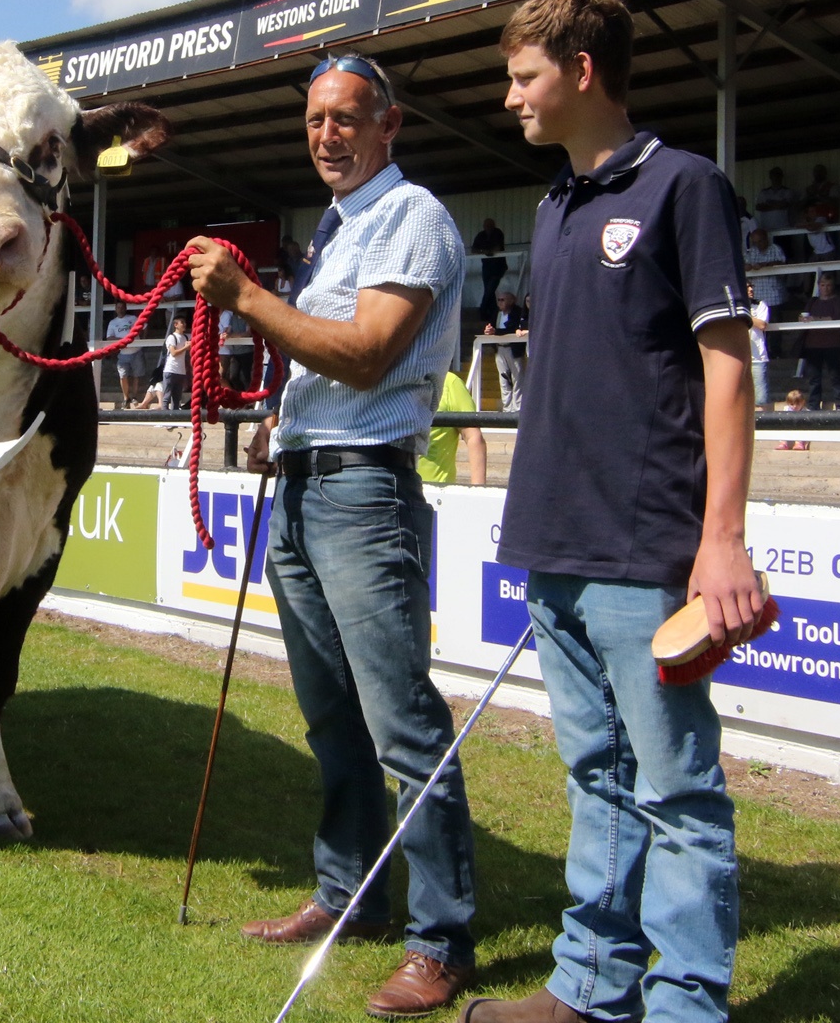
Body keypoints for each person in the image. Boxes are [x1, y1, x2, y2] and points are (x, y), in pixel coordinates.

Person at [466, 0, 763, 1023]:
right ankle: (590, 986)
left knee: (676, 790)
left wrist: (720, 541)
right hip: (555, 542)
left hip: (648, 552)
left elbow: (727, 366)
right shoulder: (551, 208)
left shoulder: (685, 186)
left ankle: (686, 1005)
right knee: (595, 777)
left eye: (524, 77)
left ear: (582, 71)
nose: (512, 99)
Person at [183, 50, 475, 1018]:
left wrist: (248, 301)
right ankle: (349, 894)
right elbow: (329, 366)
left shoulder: (414, 217)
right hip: (307, 484)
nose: (327, 135)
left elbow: (370, 352)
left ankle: (441, 940)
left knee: (401, 722)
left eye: (347, 117)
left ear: (391, 125)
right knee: (331, 717)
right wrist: (285, 418)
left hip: (365, 497)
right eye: (314, 121)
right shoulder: (338, 229)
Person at [419, 370, 487, 486]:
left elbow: (473, 437)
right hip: (393, 488)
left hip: (437, 491)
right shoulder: (390, 379)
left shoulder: (450, 382)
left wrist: (478, 490)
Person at [798, 273, 840, 410]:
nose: (826, 288)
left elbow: (836, 318)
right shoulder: (813, 301)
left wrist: (816, 319)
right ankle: (813, 405)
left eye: (829, 285)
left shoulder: (838, 300)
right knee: (814, 378)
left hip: (833, 344)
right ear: (819, 286)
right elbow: (805, 316)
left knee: (836, 377)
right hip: (813, 344)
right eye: (823, 285)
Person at [486, 289, 526, 411]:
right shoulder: (496, 313)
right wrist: (488, 330)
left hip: (513, 349)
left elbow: (512, 328)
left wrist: (495, 332)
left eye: (503, 300)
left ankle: (518, 408)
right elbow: (492, 327)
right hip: (500, 348)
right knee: (504, 379)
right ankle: (507, 408)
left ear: (511, 300)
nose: (500, 302)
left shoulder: (518, 312)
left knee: (517, 379)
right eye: (498, 300)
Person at [101, 300, 141, 407]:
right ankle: (126, 397)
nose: (120, 309)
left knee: (136, 375)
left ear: (125, 308)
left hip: (136, 350)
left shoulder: (132, 318)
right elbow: (109, 337)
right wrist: (122, 340)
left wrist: (143, 339)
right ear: (115, 309)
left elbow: (144, 327)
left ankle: (134, 396)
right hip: (123, 353)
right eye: (118, 307)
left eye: (122, 307)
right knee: (123, 376)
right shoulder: (112, 322)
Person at [473, 217, 508, 320]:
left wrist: (488, 251)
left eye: (490, 225)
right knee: (489, 291)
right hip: (487, 267)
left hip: (498, 267)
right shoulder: (481, 235)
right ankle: (492, 314)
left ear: (494, 225)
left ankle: (482, 310)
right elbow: (474, 249)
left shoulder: (498, 233)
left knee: (490, 289)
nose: (488, 227)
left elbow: (497, 247)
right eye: (486, 226)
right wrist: (484, 251)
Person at [743, 224, 785, 309]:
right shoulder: (751, 251)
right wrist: (747, 267)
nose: (758, 245)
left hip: (773, 294)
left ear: (766, 239)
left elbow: (782, 264)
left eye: (760, 241)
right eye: (755, 242)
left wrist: (764, 265)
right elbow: (744, 265)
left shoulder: (775, 249)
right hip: (757, 295)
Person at [801, 164, 839, 255]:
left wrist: (819, 197)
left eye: (820, 172)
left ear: (825, 173)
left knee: (831, 250)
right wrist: (810, 197)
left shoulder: (832, 187)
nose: (818, 174)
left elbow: (835, 202)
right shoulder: (809, 189)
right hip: (810, 223)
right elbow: (800, 204)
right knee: (810, 252)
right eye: (816, 172)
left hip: (828, 222)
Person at [753, 167, 796, 236]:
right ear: (770, 177)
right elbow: (759, 207)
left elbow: (785, 205)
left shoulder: (787, 191)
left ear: (782, 176)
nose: (776, 177)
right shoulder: (764, 192)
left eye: (778, 175)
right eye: (774, 175)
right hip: (766, 228)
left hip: (783, 228)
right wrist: (778, 204)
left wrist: (768, 204)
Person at [748, 280, 771, 406]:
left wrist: (742, 314)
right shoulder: (731, 307)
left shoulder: (760, 304)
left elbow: (762, 324)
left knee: (761, 400)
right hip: (739, 358)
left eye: (752, 286)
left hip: (758, 358)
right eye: (747, 287)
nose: (751, 289)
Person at [161, 315, 189, 409]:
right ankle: (164, 418)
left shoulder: (185, 337)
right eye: (182, 323)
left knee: (177, 398)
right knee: (167, 397)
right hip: (171, 370)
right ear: (176, 325)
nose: (184, 325)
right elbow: (173, 353)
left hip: (180, 371)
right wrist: (185, 347)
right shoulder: (172, 337)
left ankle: (174, 419)